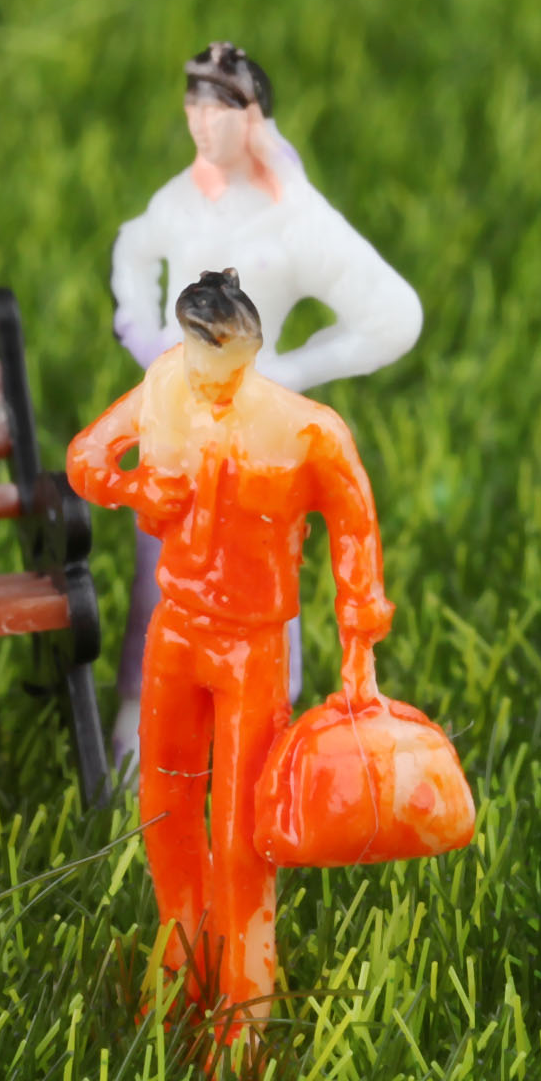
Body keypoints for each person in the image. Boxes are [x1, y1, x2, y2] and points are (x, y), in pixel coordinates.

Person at [68, 270, 393, 1049]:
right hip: (176, 629)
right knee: (164, 801)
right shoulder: (162, 389)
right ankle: (179, 959)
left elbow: (354, 523)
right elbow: (85, 457)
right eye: (198, 349)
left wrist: (360, 645)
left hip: (252, 644)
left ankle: (245, 1000)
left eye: (224, 353)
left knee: (243, 825)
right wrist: (135, 489)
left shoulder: (303, 429)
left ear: (249, 346)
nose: (208, 370)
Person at [107, 43, 420, 771]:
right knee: (160, 577)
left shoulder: (295, 219)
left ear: (253, 118)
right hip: (177, 429)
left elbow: (394, 315)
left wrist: (291, 371)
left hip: (256, 438)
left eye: (219, 106)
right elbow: (133, 245)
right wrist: (139, 328)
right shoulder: (183, 198)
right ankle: (139, 727)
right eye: (193, 103)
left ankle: (262, 741)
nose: (201, 120)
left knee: (262, 580)